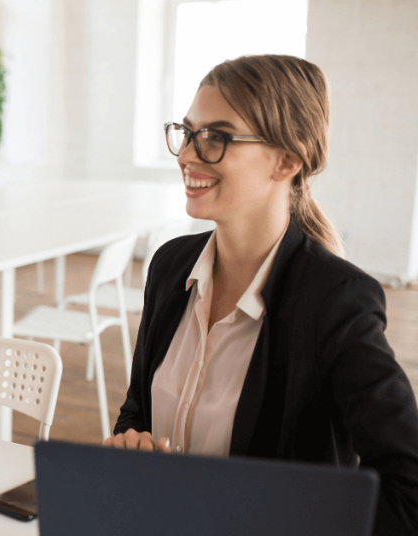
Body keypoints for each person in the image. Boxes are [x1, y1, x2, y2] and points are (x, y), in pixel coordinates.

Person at [105, 55, 418, 534]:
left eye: (217, 137)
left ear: (287, 160)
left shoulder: (336, 300)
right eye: (187, 133)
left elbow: (407, 481)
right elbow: (136, 412)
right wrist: (130, 444)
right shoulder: (170, 266)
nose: (188, 154)